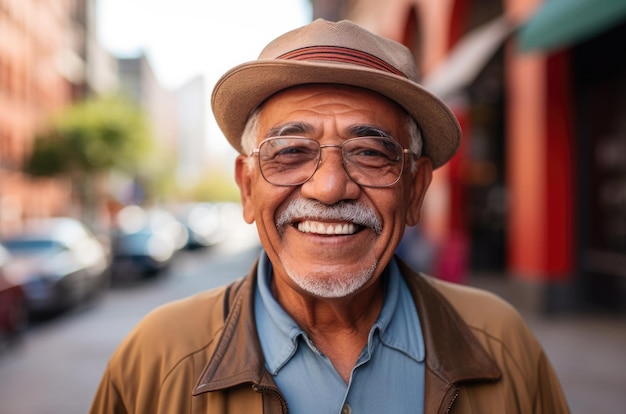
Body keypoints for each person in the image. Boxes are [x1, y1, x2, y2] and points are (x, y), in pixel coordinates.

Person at [89, 19, 570, 413]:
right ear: (247, 186)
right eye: (291, 151)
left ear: (415, 188)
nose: (329, 186)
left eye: (369, 153)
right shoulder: (156, 358)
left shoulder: (501, 344)